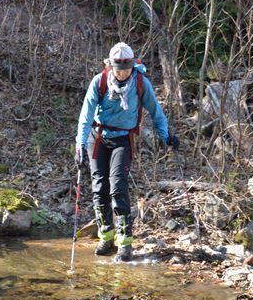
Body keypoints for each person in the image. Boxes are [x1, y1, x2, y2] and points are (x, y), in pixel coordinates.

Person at [75, 42, 177, 262]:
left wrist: (166, 136)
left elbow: (156, 112)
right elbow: (86, 115)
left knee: (118, 188)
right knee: (99, 188)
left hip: (123, 139)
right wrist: (79, 145)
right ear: (110, 66)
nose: (122, 73)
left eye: (126, 69)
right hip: (98, 138)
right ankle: (106, 237)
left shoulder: (141, 83)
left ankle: (125, 243)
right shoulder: (99, 82)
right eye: (118, 69)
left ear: (133, 66)